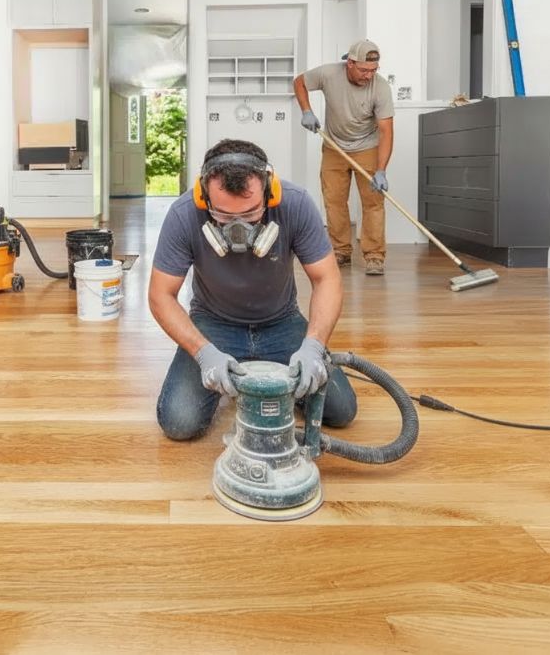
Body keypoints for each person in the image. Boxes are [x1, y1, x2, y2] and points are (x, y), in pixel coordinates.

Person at [148, 138, 357, 441]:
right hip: (213, 324)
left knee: (341, 411)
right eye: (222, 215)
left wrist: (313, 346)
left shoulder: (295, 204)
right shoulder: (184, 215)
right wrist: (204, 354)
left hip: (281, 321)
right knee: (179, 422)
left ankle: (266, 377)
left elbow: (327, 279)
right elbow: (160, 295)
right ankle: (236, 371)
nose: (237, 228)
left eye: (249, 214)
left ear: (269, 193)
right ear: (203, 196)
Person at [293, 39, 395, 274]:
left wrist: (381, 170)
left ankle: (374, 256)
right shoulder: (329, 74)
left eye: (373, 70)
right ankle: (340, 251)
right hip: (334, 146)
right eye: (363, 70)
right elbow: (299, 82)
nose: (369, 76)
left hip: (367, 147)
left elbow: (386, 130)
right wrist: (306, 110)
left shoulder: (380, 88)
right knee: (334, 200)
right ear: (349, 63)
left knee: (373, 202)